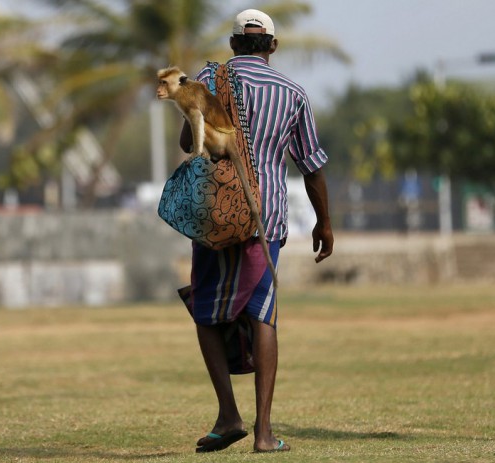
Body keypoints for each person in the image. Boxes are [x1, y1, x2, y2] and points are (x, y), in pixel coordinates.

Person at [179, 8, 334, 453]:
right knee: (263, 314)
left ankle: (228, 414)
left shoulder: (209, 79)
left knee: (207, 308)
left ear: (232, 45)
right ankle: (264, 434)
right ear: (272, 47)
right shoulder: (294, 93)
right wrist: (324, 223)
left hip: (215, 214)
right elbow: (313, 167)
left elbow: (190, 144)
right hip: (266, 218)